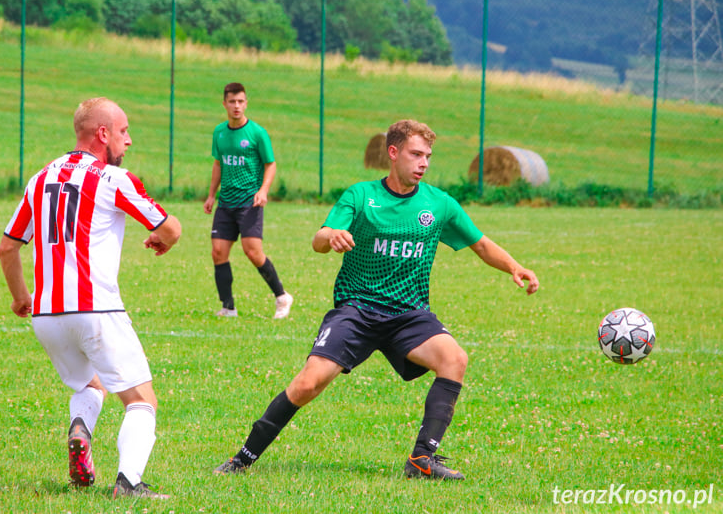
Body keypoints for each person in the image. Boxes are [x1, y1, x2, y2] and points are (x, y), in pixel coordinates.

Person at [214, 119, 539, 480]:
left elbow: (479, 243)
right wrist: (332, 234)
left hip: (409, 314)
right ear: (393, 153)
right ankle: (242, 459)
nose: (424, 163)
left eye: (428, 156)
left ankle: (421, 461)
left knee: (454, 359)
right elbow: (319, 239)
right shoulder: (360, 195)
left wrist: (515, 266)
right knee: (308, 383)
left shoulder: (439, 204)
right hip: (357, 310)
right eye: (416, 154)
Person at [0, 97, 182, 499]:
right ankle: (129, 483)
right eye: (123, 131)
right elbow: (172, 227)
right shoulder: (113, 179)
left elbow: (8, 248)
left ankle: (80, 429)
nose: (128, 140)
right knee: (141, 400)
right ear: (103, 134)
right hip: (95, 309)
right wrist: (160, 239)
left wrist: (20, 298)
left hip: (47, 315)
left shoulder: (40, 178)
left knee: (90, 385)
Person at [203, 82, 293, 319]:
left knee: (252, 252)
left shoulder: (257, 133)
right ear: (224, 104)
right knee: (218, 252)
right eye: (232, 101)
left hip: (249, 202)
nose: (236, 106)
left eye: (240, 101)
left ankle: (282, 297)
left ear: (246, 103)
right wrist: (212, 194)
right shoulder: (219, 132)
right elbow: (218, 164)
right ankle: (228, 307)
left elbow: (270, 164)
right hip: (226, 203)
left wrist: (263, 190)